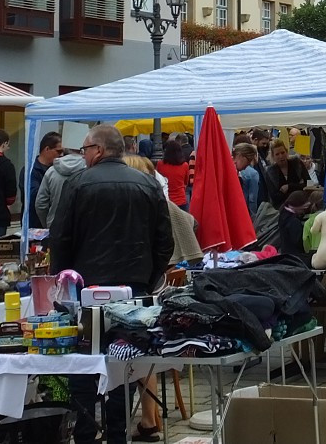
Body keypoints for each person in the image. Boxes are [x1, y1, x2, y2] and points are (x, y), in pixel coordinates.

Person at [50, 126, 172, 444]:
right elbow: (164, 240)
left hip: (87, 285)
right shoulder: (148, 184)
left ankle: (86, 430)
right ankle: (118, 431)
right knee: (124, 358)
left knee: (84, 358)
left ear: (100, 150)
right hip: (134, 287)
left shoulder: (78, 183)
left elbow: (60, 237)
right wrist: (148, 277)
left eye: (85, 149)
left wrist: (63, 281)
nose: (83, 154)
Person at [122, 153, 199, 442]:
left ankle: (146, 419)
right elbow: (190, 223)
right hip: (164, 292)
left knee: (130, 341)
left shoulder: (144, 208)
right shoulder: (161, 204)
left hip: (153, 297)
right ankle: (148, 419)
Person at [36, 145, 87, 228]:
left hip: (55, 226)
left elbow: (40, 204)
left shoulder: (51, 171)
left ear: (64, 150)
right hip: (80, 228)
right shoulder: (89, 172)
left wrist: (48, 223)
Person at [26, 131, 62, 227]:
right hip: (34, 224)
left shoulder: (58, 170)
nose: (61, 155)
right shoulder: (31, 170)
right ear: (47, 149)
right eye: (58, 151)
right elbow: (34, 196)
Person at [263, 139, 308, 210]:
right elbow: (274, 196)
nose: (281, 156)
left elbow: (308, 184)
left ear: (286, 152)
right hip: (281, 208)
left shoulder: (297, 164)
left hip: (301, 205)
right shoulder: (270, 172)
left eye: (282, 152)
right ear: (273, 156)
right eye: (277, 154)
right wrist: (298, 186)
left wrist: (289, 187)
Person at [278, 190, 312, 264]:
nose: (304, 211)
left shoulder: (283, 215)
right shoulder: (293, 222)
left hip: (286, 254)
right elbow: (299, 242)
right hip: (296, 258)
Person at [156, 140, 190, 209]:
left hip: (166, 199)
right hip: (181, 200)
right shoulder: (185, 165)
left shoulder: (160, 164)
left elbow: (158, 181)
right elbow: (186, 182)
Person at [233, 142, 261, 219]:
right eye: (248, 161)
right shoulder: (232, 172)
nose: (246, 167)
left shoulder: (234, 171)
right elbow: (252, 199)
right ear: (240, 156)